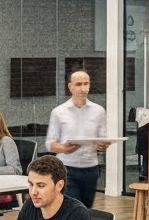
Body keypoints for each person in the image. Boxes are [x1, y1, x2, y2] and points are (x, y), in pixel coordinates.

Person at [46, 70, 109, 208]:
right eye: (79, 84)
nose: (83, 88)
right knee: (72, 208)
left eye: (86, 84)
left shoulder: (99, 111)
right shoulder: (59, 112)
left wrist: (103, 146)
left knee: (86, 209)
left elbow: (102, 139)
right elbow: (49, 144)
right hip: (67, 168)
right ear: (70, 86)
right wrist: (63, 149)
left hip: (91, 169)